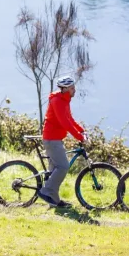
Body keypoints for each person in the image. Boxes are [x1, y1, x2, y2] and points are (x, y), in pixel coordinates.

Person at [37, 76, 87, 208]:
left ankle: (54, 200)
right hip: (52, 139)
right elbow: (64, 122)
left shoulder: (65, 100)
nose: (74, 90)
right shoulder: (57, 101)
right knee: (63, 166)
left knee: (54, 170)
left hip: (56, 138)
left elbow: (69, 118)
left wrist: (81, 130)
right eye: (72, 88)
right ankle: (46, 191)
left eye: (73, 87)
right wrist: (79, 137)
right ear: (65, 89)